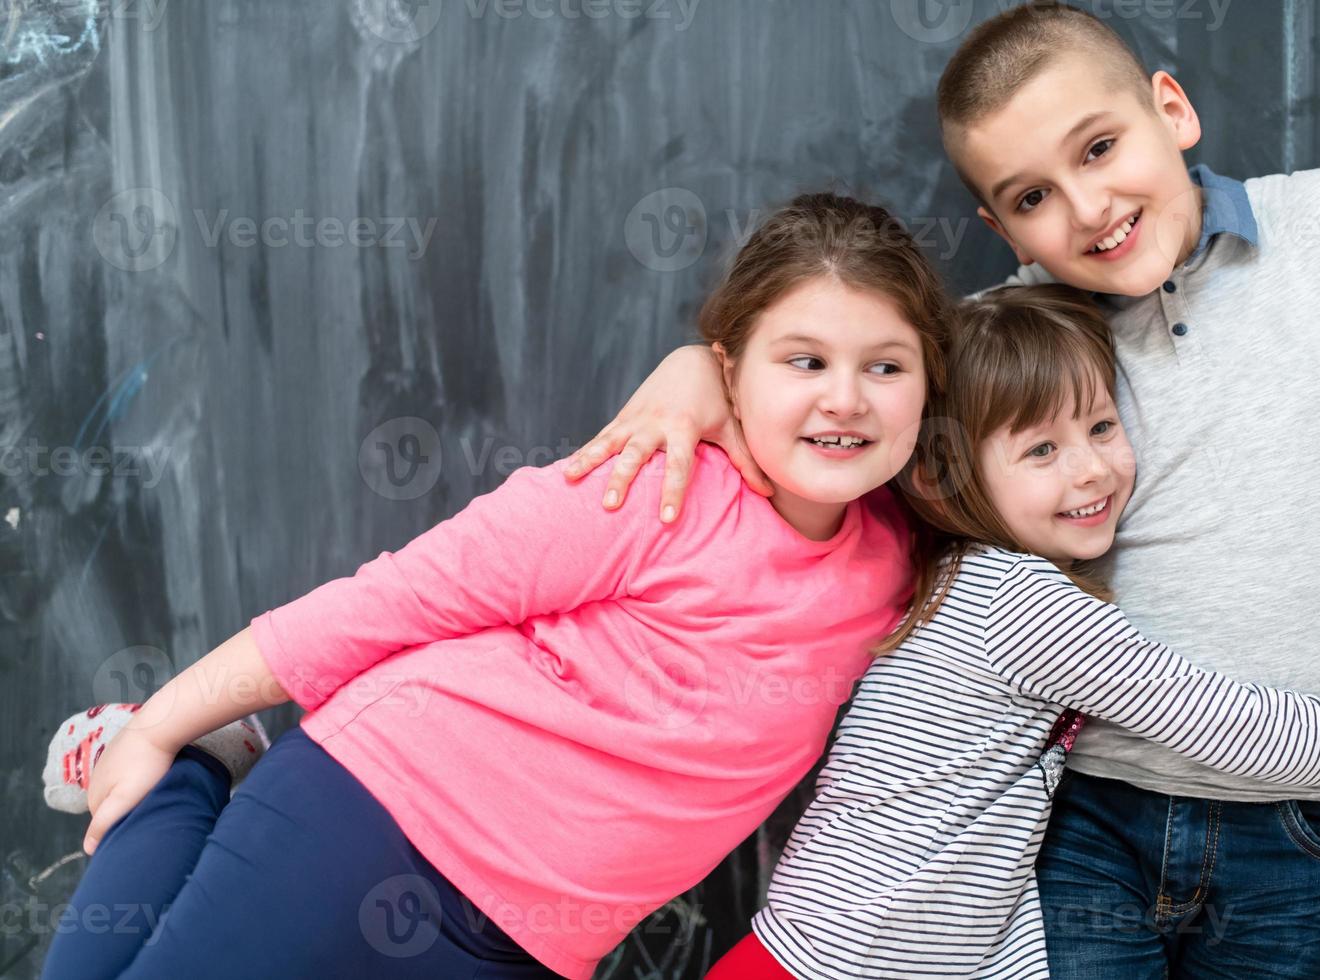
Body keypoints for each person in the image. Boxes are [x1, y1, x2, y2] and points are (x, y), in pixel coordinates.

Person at [563, 4, 1320, 975]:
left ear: (1173, 108)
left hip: (1309, 820)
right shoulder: (995, 343)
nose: (1087, 209)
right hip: (1092, 815)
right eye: (1033, 196)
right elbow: (831, 404)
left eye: (1102, 147)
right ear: (1001, 229)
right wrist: (701, 371)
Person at [38, 192, 950, 980]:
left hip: (542, 945)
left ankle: (195, 759)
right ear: (729, 368)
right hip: (374, 816)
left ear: (927, 385)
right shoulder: (644, 486)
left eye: (885, 366)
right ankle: (184, 759)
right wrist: (165, 724)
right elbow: (387, 602)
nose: (845, 399)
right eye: (804, 361)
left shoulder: (907, 558)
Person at [700, 285, 1320, 978]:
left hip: (837, 945)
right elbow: (1213, 716)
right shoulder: (1018, 600)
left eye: (1100, 426)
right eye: (1041, 451)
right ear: (941, 476)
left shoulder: (956, 574)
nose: (1090, 469)